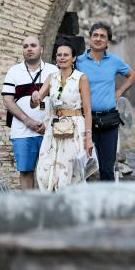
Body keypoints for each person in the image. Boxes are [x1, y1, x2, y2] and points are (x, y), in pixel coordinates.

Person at [76, 22, 135, 181]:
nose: (98, 39)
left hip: (109, 121)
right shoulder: (78, 62)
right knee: (86, 168)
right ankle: (87, 204)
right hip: (85, 121)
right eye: (95, 35)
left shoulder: (115, 61)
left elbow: (133, 75)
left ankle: (107, 204)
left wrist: (119, 91)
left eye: (102, 36)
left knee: (107, 169)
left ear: (108, 42)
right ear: (89, 39)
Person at [32, 43, 93, 192]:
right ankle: (50, 206)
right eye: (59, 55)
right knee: (43, 171)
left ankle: (69, 208)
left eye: (66, 55)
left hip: (74, 128)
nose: (61, 58)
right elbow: (36, 102)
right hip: (53, 129)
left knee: (68, 172)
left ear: (73, 58)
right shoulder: (52, 78)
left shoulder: (81, 78)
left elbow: (87, 110)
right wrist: (35, 97)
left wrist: (88, 137)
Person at [2, 36, 57, 189]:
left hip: (49, 131)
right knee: (26, 172)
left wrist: (50, 124)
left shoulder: (53, 70)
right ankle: (28, 209)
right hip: (22, 132)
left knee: (50, 171)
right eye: (25, 46)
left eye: (33, 45)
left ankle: (48, 209)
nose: (29, 49)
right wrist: (27, 121)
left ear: (42, 49)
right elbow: (7, 100)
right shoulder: (14, 71)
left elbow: (61, 99)